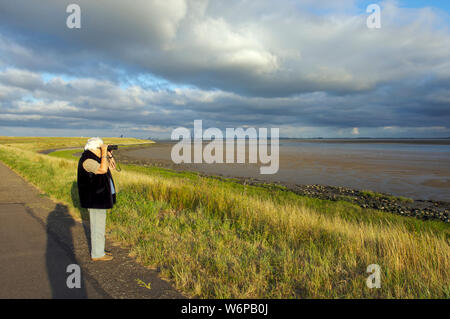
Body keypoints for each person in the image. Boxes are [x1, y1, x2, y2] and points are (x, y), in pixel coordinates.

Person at [77, 137, 117, 261]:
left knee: (100, 226)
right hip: (94, 199)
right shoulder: (87, 160)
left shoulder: (95, 158)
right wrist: (104, 153)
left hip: (100, 198)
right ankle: (98, 254)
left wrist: (109, 155)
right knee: (97, 227)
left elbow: (111, 167)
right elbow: (102, 169)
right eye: (100, 148)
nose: (102, 151)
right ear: (94, 149)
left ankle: (99, 251)